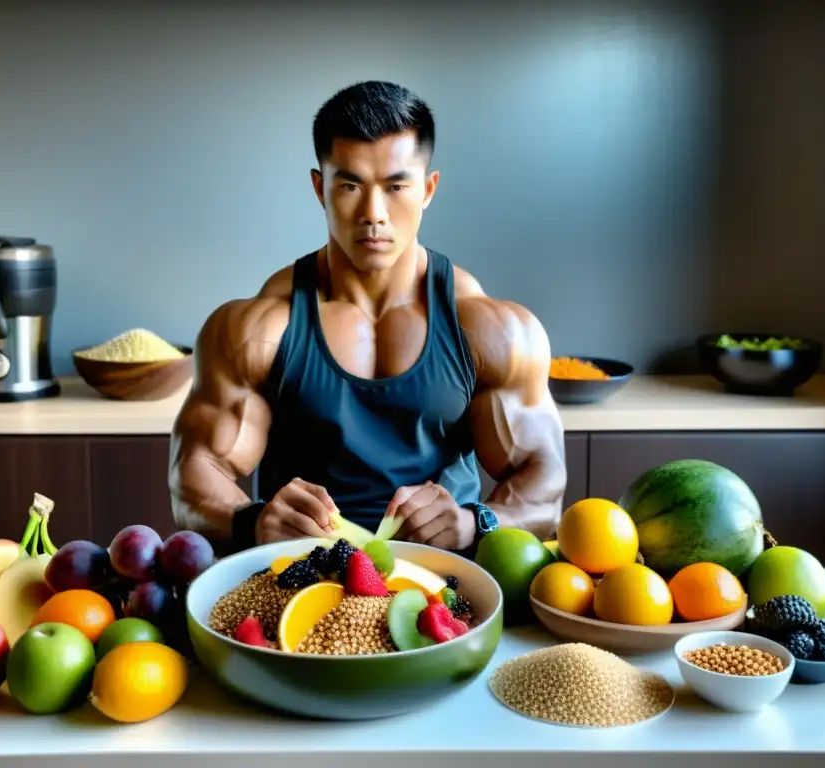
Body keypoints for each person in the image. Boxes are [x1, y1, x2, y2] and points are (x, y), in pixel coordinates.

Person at [169, 80, 567, 554]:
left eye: (396, 186)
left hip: (442, 588)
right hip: (302, 584)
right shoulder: (258, 329)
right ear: (321, 188)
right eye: (350, 185)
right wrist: (253, 521)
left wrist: (475, 523)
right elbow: (194, 473)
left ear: (428, 189)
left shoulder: (490, 330)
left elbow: (544, 484)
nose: (373, 214)